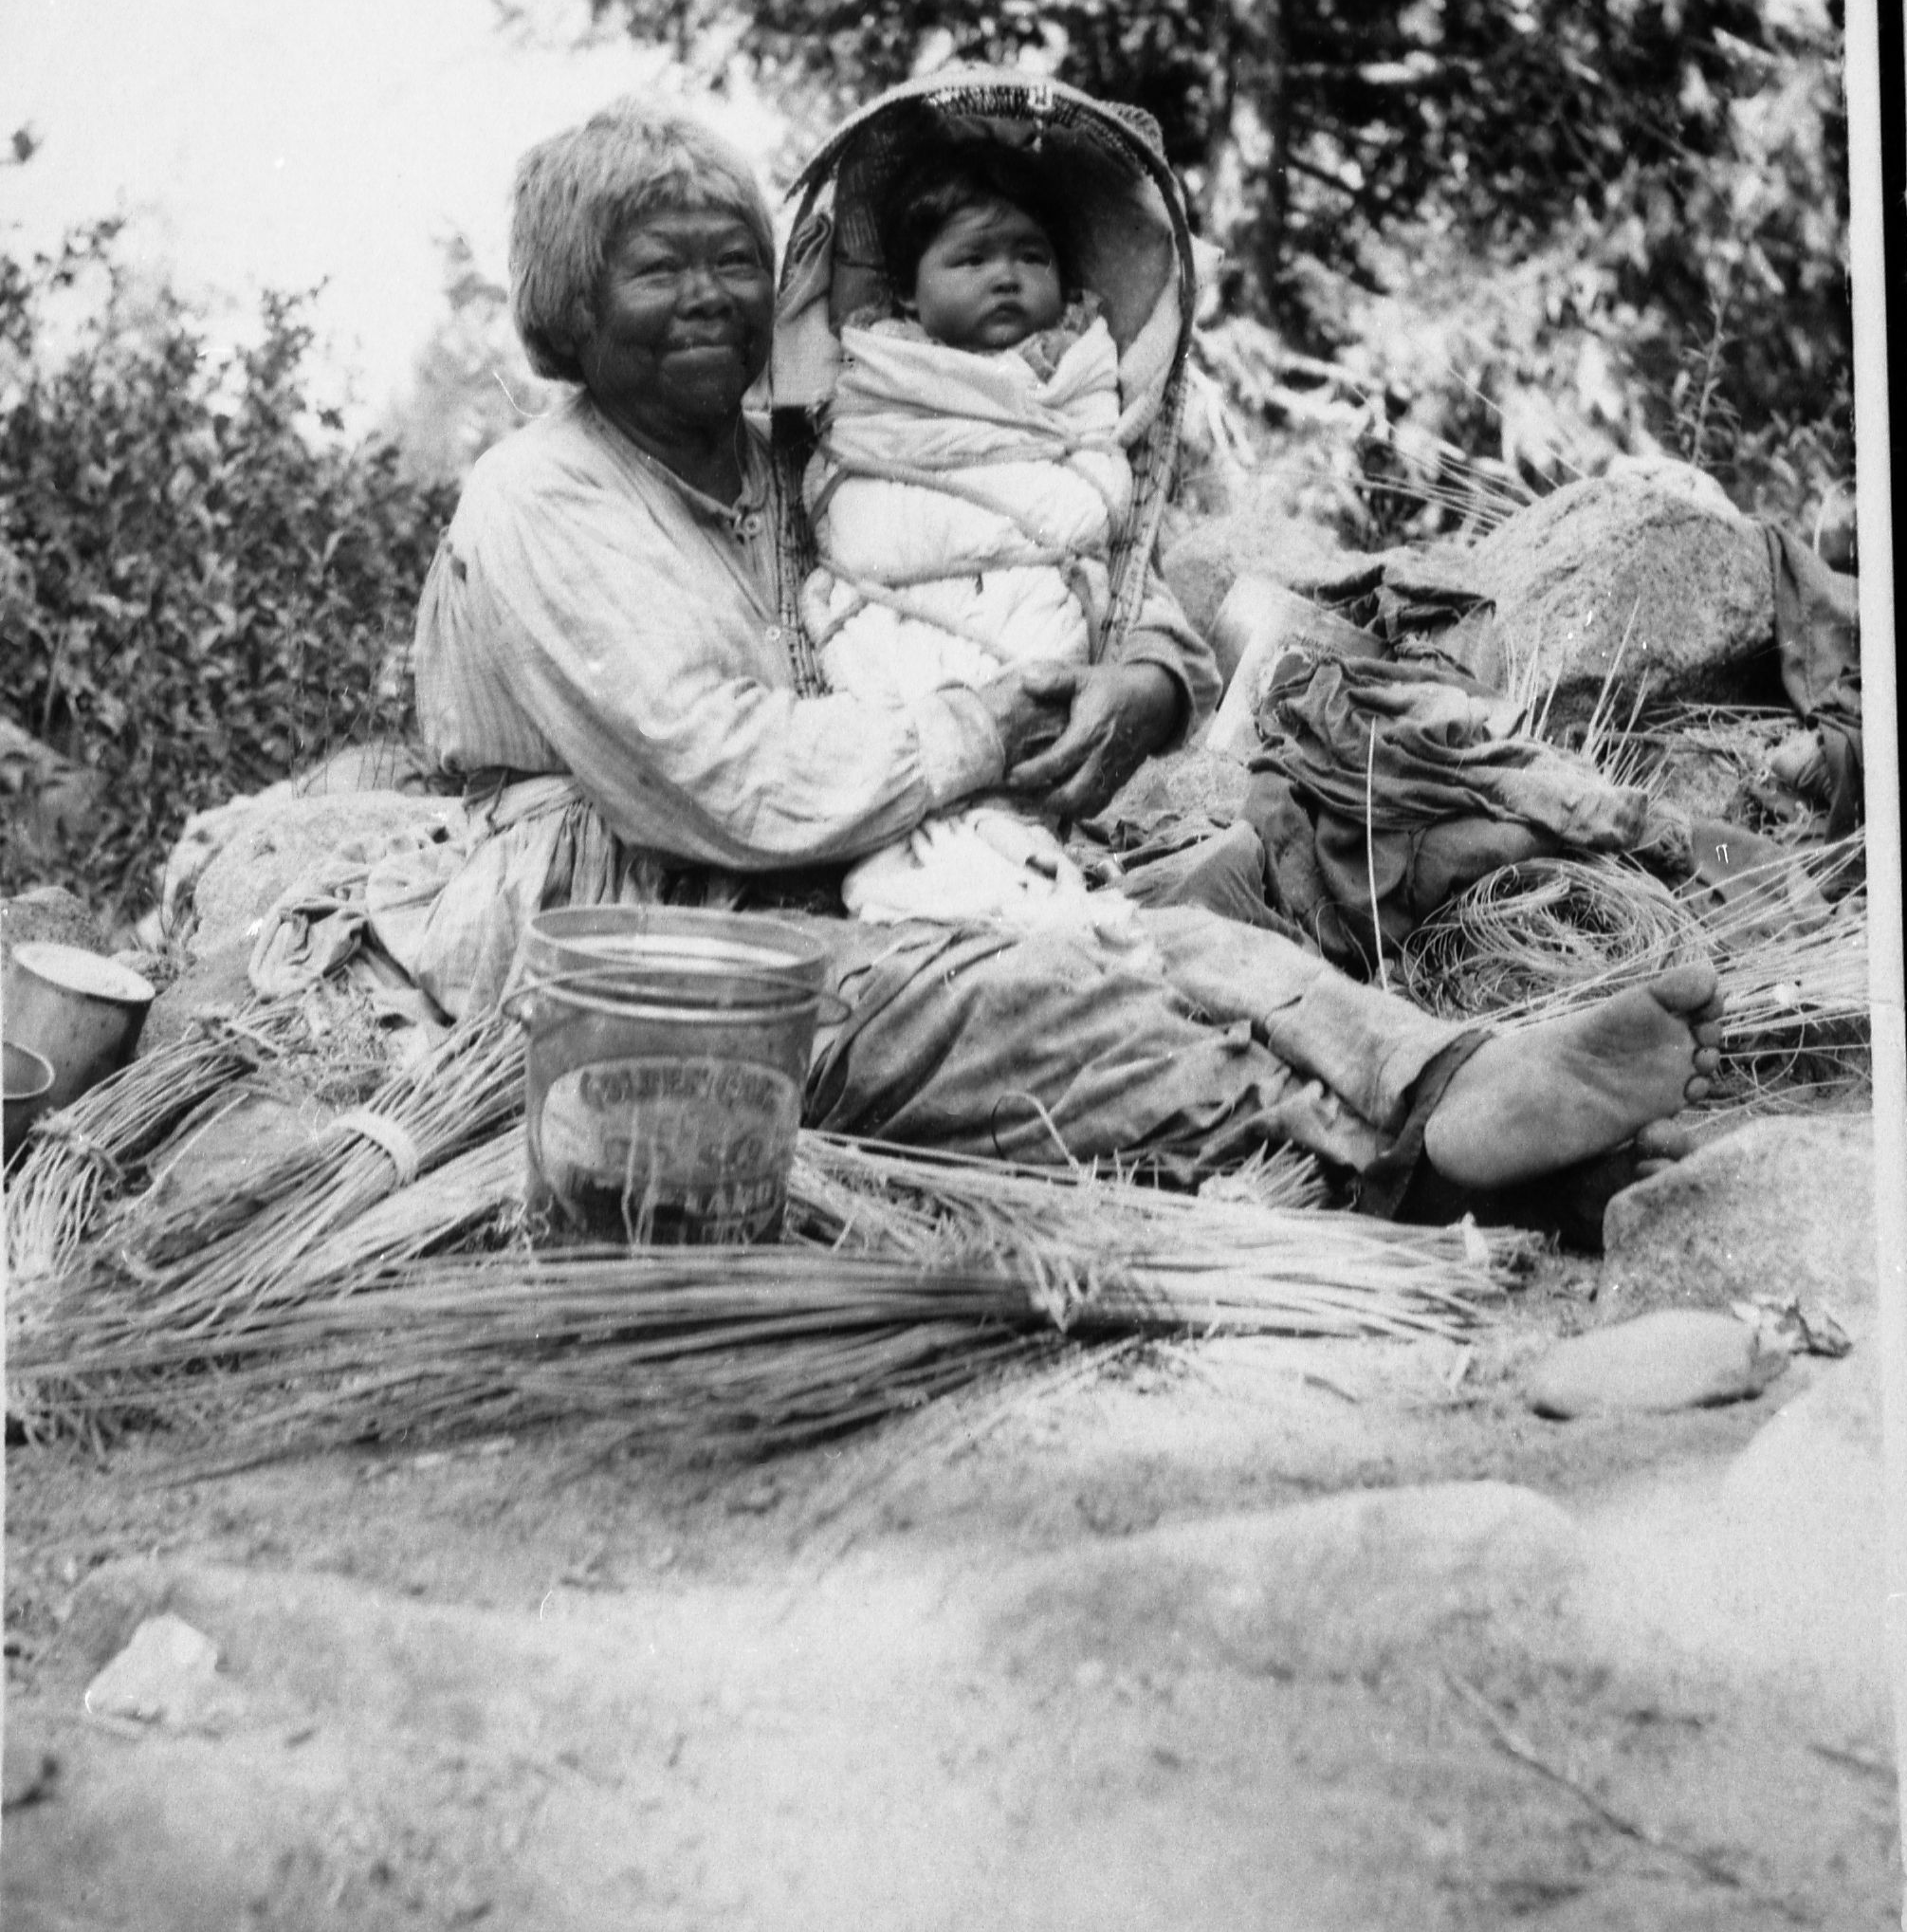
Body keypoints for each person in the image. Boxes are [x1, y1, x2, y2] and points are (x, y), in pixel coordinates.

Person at [406, 86, 1723, 1212]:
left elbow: (1086, 563)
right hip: (662, 934)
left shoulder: (809, 462)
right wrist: (983, 725)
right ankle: (1430, 1142)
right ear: (570, 307)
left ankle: (1464, 1090)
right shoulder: (542, 498)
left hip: (893, 853)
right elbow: (720, 777)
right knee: (1037, 993)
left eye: (733, 261)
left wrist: (1144, 677)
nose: (709, 297)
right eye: (655, 268)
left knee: (1278, 846)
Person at [798, 149, 1139, 926]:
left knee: (1038, 682)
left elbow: (1096, 488)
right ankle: (937, 815)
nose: (1007, 275)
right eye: (972, 257)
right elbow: (849, 487)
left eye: (1031, 254)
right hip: (901, 579)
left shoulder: (1077, 368)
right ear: (910, 300)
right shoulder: (883, 369)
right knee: (886, 685)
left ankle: (996, 826)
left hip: (1030, 574)